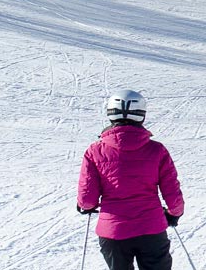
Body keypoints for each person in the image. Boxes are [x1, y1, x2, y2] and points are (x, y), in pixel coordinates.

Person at [78, 90, 184, 270]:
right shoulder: (157, 150)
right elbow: (172, 192)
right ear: (141, 116)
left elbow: (87, 200)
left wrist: (85, 207)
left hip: (113, 232)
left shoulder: (95, 151)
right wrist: (174, 213)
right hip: (151, 228)